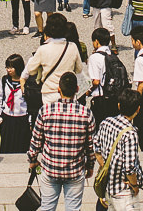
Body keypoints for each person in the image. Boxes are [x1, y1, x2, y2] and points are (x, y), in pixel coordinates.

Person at [29, 71, 95, 211]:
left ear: (59, 90)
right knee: (73, 208)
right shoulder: (86, 114)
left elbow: (36, 141)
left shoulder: (46, 111)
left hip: (51, 167)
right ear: (77, 89)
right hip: (75, 170)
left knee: (47, 207)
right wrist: (90, 165)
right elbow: (90, 146)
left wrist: (33, 159)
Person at [94, 90, 143, 211]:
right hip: (124, 190)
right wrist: (135, 185)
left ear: (119, 105)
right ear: (138, 109)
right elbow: (129, 167)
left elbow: (96, 148)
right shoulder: (130, 133)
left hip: (108, 187)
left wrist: (105, 166)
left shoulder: (106, 122)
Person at [0, 53, 32, 153]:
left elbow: (30, 102)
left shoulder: (26, 82)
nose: (8, 70)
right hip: (7, 117)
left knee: (21, 146)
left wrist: (30, 120)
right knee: (6, 145)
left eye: (11, 67)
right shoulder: (5, 80)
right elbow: (0, 97)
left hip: (22, 118)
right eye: (7, 67)